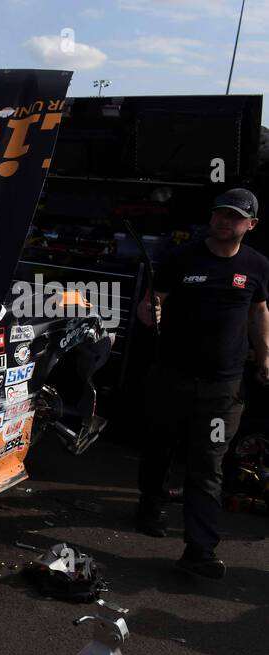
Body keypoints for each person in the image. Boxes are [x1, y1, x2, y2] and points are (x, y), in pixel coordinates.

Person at [135, 187, 269, 579]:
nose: (224, 222)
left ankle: (200, 550)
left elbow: (259, 312)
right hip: (172, 378)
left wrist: (264, 358)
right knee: (160, 448)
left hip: (222, 389)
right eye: (220, 214)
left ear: (251, 224)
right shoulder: (181, 258)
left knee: (207, 465)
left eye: (234, 216)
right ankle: (149, 505)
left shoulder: (257, 265)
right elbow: (150, 307)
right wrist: (149, 310)